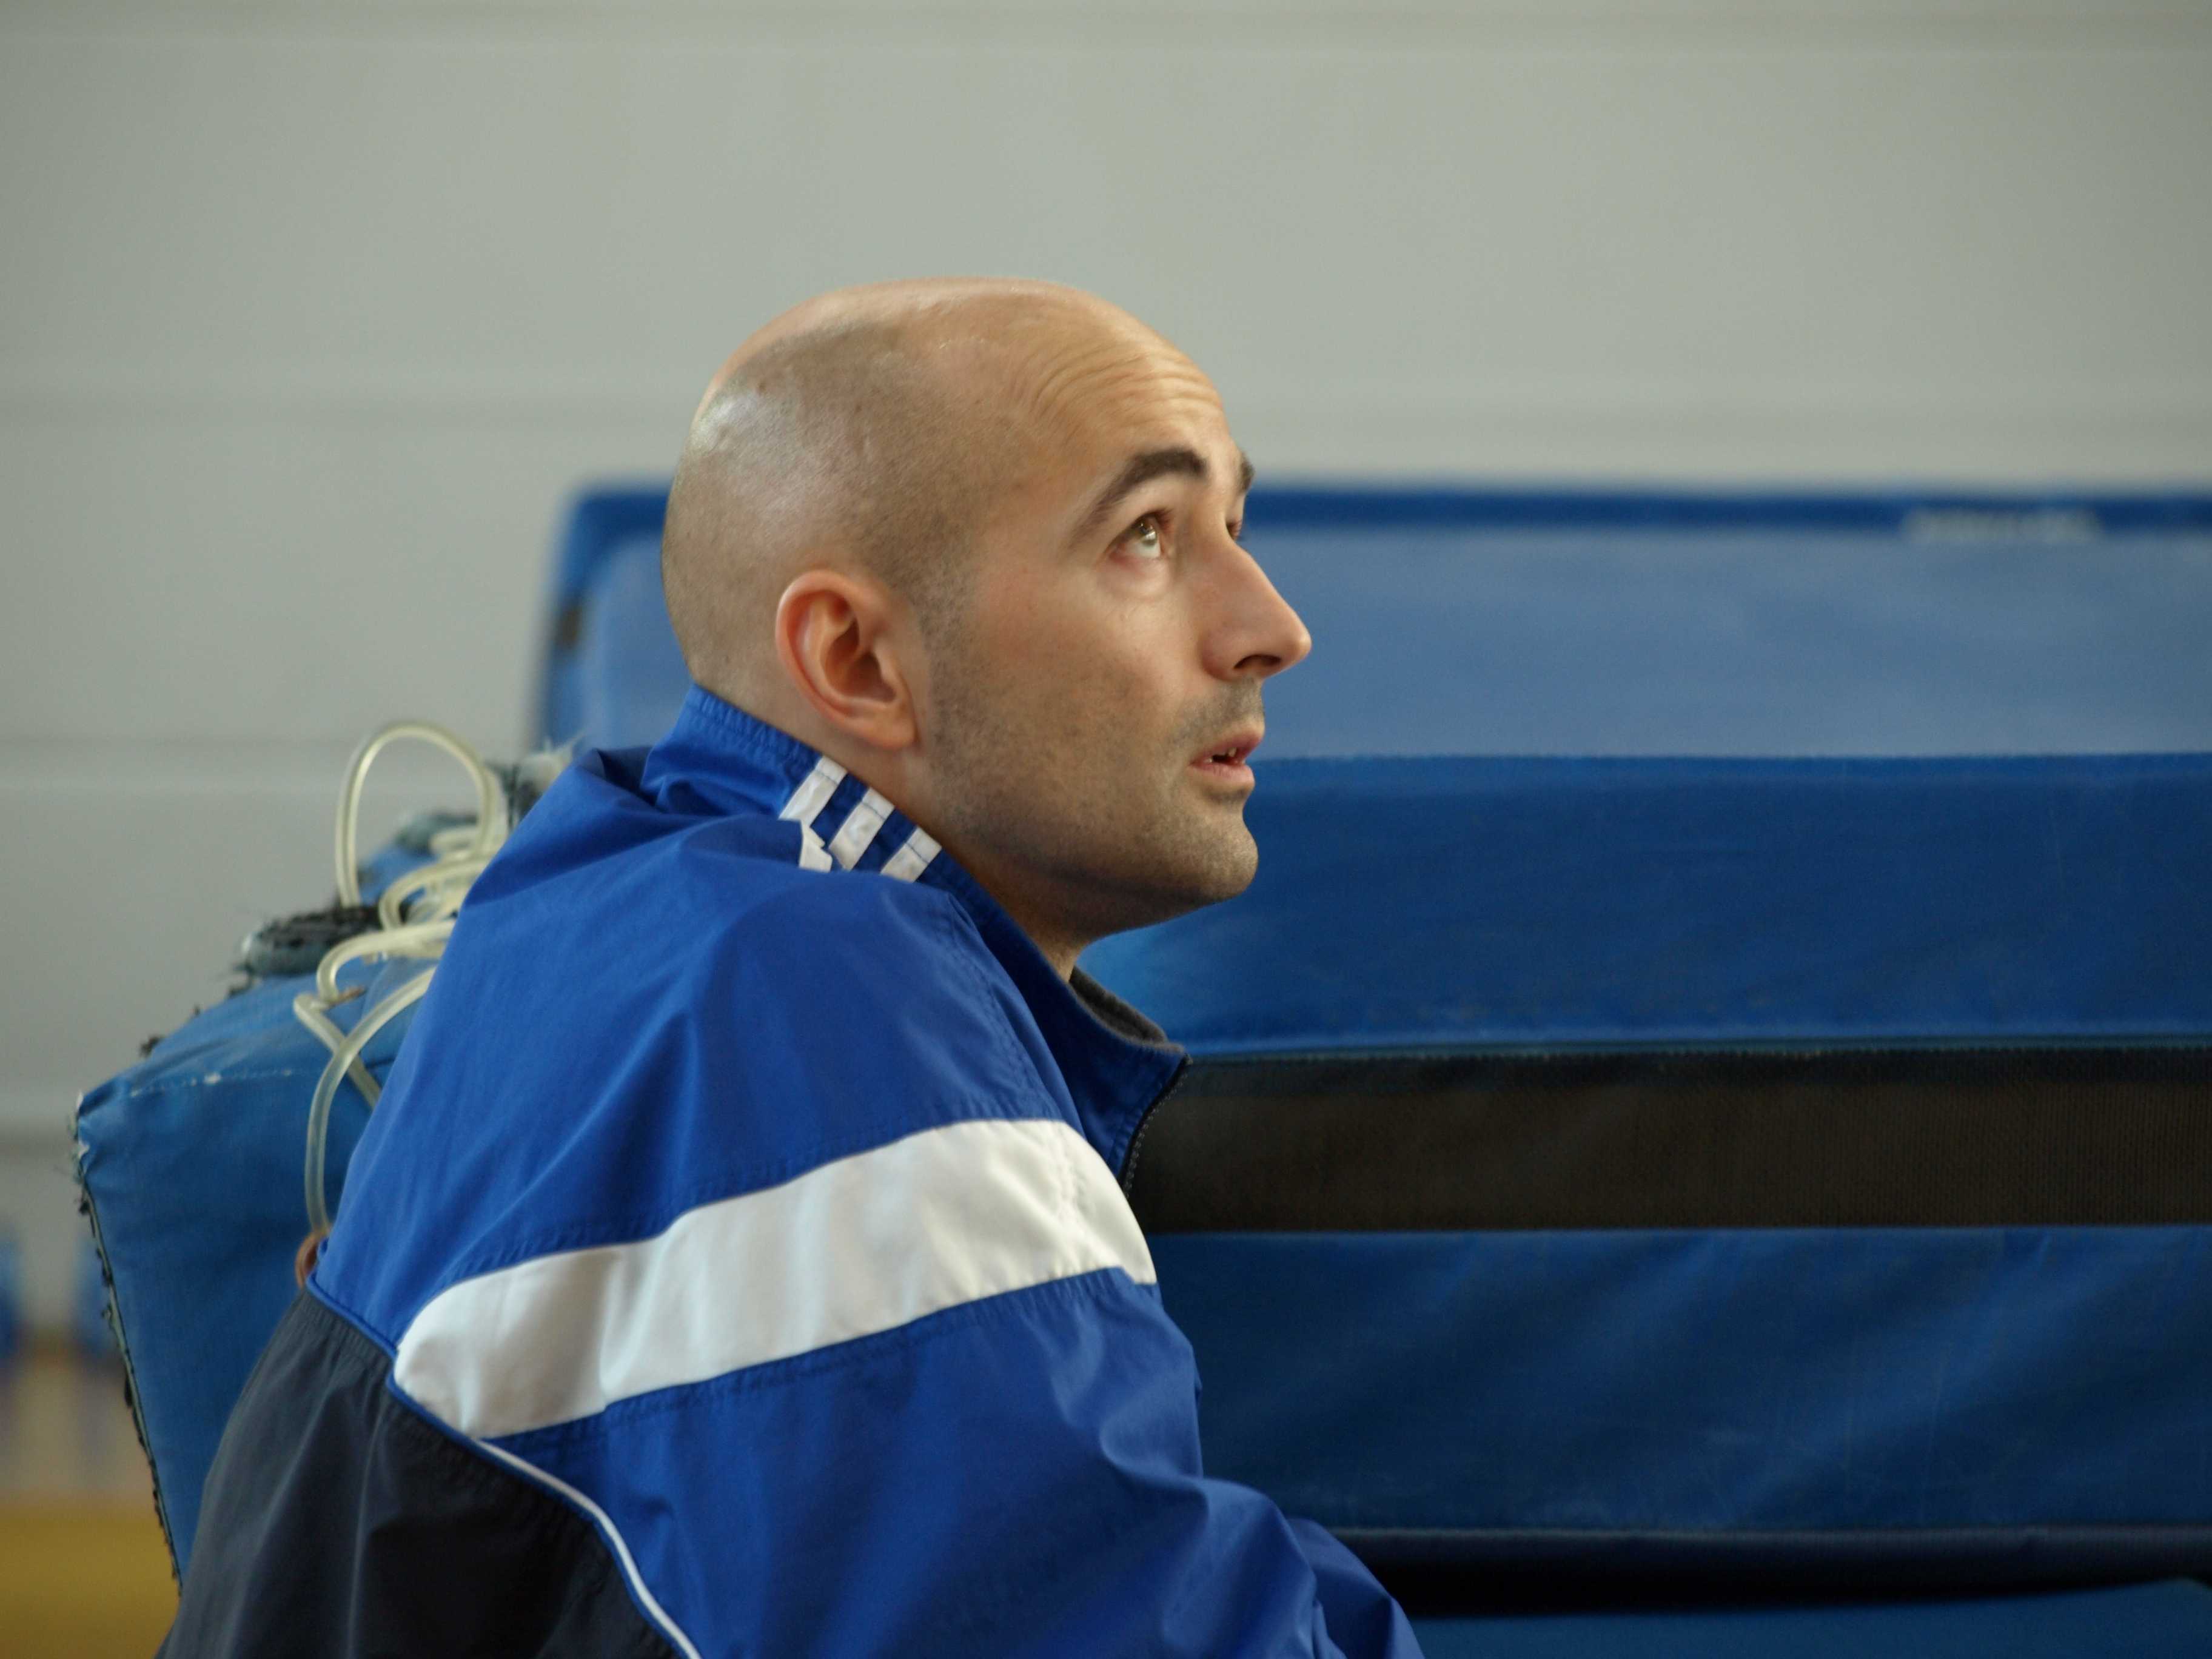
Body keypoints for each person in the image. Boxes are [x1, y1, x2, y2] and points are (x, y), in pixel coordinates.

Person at [163, 278, 1424, 1657]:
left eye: (1234, 526)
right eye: (1146, 537)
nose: (1271, 625)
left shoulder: (617, 889)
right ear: (857, 660)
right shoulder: (831, 1028)